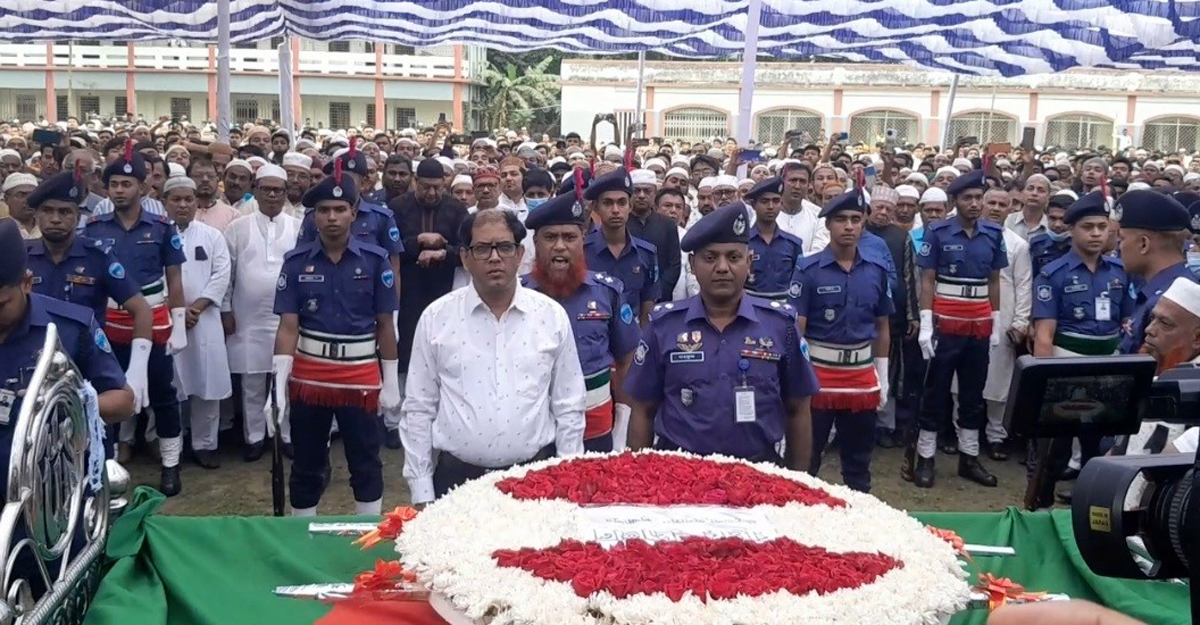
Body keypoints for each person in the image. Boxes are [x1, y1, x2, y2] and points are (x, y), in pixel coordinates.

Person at [400, 209, 585, 504]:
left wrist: (568, 478)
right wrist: (422, 489)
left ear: (520, 253)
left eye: (505, 247)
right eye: (482, 249)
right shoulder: (437, 318)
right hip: (457, 482)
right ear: (464, 257)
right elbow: (419, 408)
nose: (495, 257)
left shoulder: (551, 317)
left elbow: (569, 406)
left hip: (535, 481)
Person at [625, 203, 819, 469]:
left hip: (757, 472)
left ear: (749, 262)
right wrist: (640, 479)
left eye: (734, 257)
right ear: (692, 265)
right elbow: (643, 410)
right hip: (679, 475)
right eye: (710, 257)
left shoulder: (780, 326)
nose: (722, 267)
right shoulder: (664, 326)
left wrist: (799, 481)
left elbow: (798, 408)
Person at [0, 219, 135, 593]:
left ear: (27, 282)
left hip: (54, 507)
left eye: (0, 304)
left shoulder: (69, 328)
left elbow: (122, 400)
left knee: (62, 598)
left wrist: (62, 408)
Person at [271, 170, 400, 517]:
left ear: (354, 213)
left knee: (366, 460)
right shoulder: (296, 263)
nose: (331, 217)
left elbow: (386, 325)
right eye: (324, 210)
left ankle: (367, 533)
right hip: (310, 379)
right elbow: (287, 327)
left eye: (339, 209)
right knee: (306, 462)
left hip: (359, 377)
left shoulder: (375, 261)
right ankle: (301, 537)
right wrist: (277, 387)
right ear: (314, 215)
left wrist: (391, 383)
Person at [84, 147, 188, 495]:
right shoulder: (94, 227)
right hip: (109, 320)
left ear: (143, 188)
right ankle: (107, 465)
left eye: (127, 184)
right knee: (109, 393)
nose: (118, 190)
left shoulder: (160, 226)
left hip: (154, 318)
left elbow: (174, 278)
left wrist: (178, 321)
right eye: (113, 183)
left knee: (163, 393)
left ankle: (171, 464)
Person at [908, 170, 1006, 489]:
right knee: (935, 392)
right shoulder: (938, 232)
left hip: (979, 321)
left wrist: (996, 321)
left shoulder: (993, 232)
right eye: (968, 198)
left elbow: (994, 280)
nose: (975, 204)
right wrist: (925, 323)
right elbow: (927, 279)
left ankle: (969, 457)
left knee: (973, 394)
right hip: (945, 320)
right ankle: (924, 457)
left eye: (979, 198)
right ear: (955, 202)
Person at [791, 189, 892, 492]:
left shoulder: (876, 270)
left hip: (861, 378)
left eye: (855, 219)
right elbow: (797, 330)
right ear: (828, 225)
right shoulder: (807, 269)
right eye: (841, 220)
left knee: (858, 463)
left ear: (864, 224)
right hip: (819, 376)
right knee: (807, 458)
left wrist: (882, 376)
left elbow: (883, 325)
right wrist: (797, 379)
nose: (849, 226)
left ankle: (858, 522)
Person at [522, 191, 639, 452]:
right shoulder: (519, 295)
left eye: (570, 237)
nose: (560, 246)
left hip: (594, 425)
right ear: (536, 242)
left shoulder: (607, 292)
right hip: (533, 427)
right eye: (550, 237)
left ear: (582, 241)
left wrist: (622, 424)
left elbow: (627, 358)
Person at [387, 157, 470, 449]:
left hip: (444, 292)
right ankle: (394, 422)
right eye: (425, 187)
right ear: (415, 182)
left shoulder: (457, 210)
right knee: (403, 354)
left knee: (442, 353)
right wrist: (418, 242)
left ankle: (437, 420)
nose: (432, 194)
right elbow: (390, 246)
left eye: (437, 187)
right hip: (407, 291)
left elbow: (466, 250)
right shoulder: (398, 207)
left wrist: (442, 250)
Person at [223, 164, 302, 462]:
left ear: (285, 194)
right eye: (266, 189)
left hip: (287, 319)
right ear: (254, 190)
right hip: (247, 318)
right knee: (253, 382)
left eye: (278, 190)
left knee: (287, 379)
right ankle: (255, 437)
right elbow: (227, 274)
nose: (272, 194)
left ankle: (286, 435)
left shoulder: (297, 227)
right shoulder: (237, 227)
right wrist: (226, 309)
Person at [161, 176, 232, 469]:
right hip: (164, 319)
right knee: (170, 384)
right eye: (176, 199)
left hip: (205, 320)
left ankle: (205, 445)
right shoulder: (155, 235)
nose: (183, 205)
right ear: (165, 202)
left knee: (207, 383)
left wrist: (197, 308)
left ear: (196, 202)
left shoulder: (212, 235)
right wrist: (174, 308)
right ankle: (172, 447)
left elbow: (222, 274)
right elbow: (150, 276)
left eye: (188, 199)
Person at [970, 185, 1032, 461]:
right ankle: (964, 433)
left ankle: (996, 436)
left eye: (1001, 204)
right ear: (981, 205)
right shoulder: (967, 238)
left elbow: (1024, 285)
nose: (995, 208)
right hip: (967, 315)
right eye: (991, 202)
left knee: (998, 382)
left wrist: (1020, 322)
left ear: (1011, 209)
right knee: (964, 381)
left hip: (1003, 318)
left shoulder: (1018, 244)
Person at [1116, 190, 1197, 354]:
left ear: (1144, 244)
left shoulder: (1168, 304)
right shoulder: (1172, 287)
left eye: (1122, 239)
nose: (1119, 247)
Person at [584, 169, 660, 326]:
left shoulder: (646, 253)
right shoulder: (581, 251)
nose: (616, 210)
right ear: (596, 208)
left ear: (630, 206)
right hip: (593, 336)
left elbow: (648, 304)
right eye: (607, 203)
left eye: (621, 202)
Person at [626, 169, 682, 303]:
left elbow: (674, 264)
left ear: (655, 194)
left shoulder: (668, 224)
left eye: (647, 191)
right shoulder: (621, 223)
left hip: (661, 298)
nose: (641, 195)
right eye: (636, 190)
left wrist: (657, 293)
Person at [743, 177, 804, 300]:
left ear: (781, 204)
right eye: (764, 201)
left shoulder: (792, 243)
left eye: (776, 201)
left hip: (784, 303)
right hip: (750, 303)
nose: (770, 206)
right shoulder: (742, 242)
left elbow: (798, 280)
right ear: (753, 205)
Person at [776, 162, 830, 255]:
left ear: (809, 185)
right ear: (782, 182)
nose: (797, 186)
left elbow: (819, 251)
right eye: (792, 180)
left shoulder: (818, 215)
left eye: (802, 181)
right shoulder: (767, 212)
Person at [1027, 193, 1074, 275]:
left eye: (1063, 219)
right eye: (1053, 218)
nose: (1057, 225)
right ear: (1047, 216)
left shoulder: (1081, 245)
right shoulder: (1037, 244)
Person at [189, 158, 239, 231]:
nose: (205, 179)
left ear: (217, 179)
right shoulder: (180, 212)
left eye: (210, 176)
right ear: (189, 178)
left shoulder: (233, 215)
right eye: (198, 176)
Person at [3, 172, 39, 239]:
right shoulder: (2, 229)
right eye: (21, 195)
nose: (28, 200)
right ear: (6, 199)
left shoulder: (46, 227)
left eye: (32, 195)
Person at [281, 152, 314, 217]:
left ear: (309, 181)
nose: (295, 180)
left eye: (302, 176)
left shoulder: (315, 209)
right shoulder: (262, 206)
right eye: (289, 175)